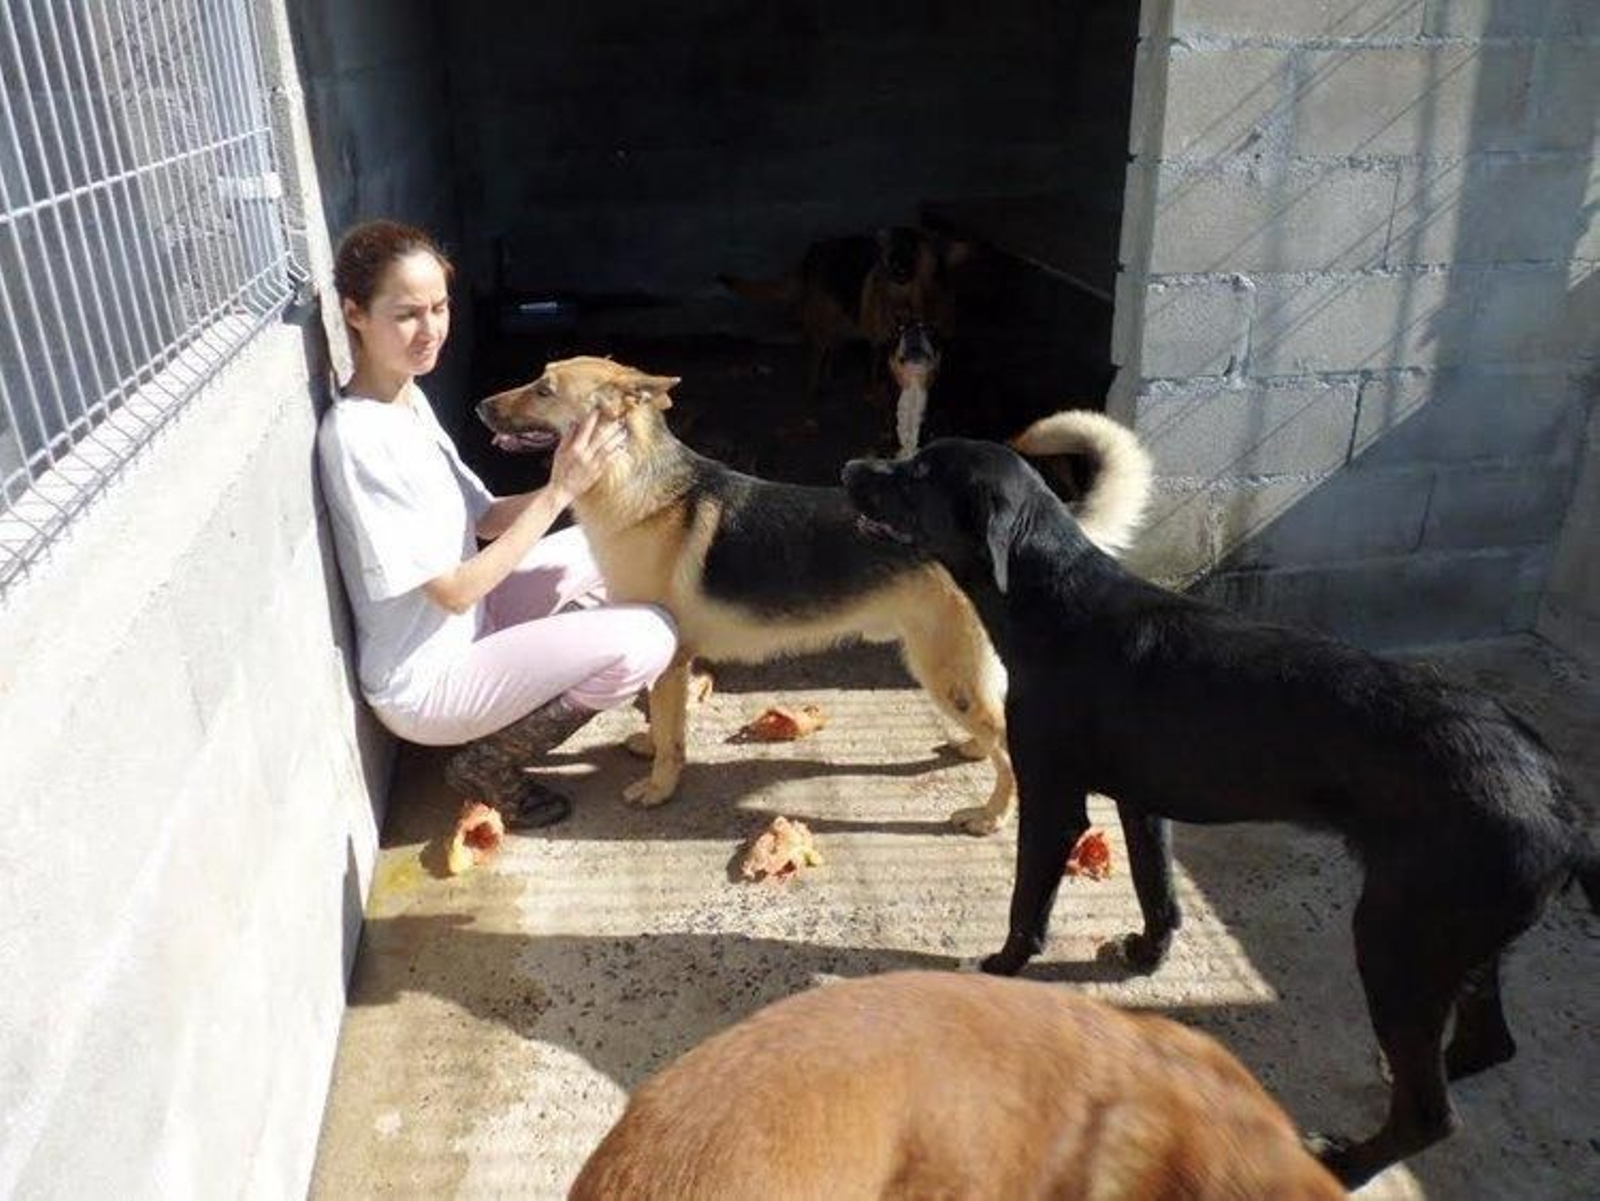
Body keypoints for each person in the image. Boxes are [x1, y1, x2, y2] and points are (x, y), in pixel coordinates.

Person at [316, 219, 677, 828]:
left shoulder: (406, 397)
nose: (430, 330)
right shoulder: (358, 439)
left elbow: (485, 518)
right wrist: (560, 488)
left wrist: (575, 481)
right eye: (406, 314)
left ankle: (600, 680)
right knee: (650, 637)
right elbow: (454, 591)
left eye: (439, 307)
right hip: (427, 684)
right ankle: (492, 764)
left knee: (611, 540)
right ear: (354, 314)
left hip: (471, 630)